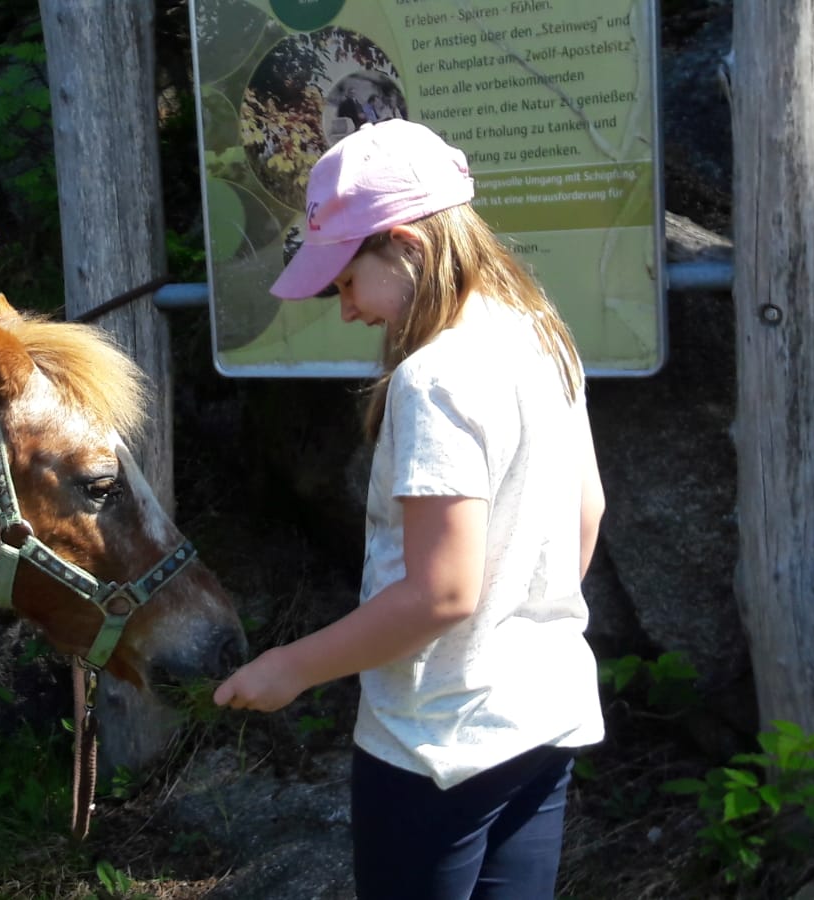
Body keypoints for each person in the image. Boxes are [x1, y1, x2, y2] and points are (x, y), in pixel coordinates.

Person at [213, 119, 606, 899]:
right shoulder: (541, 336)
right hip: (544, 712)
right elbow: (585, 513)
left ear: (408, 245)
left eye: (346, 281)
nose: (346, 308)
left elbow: (441, 594)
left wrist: (291, 668)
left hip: (436, 744)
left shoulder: (435, 376)